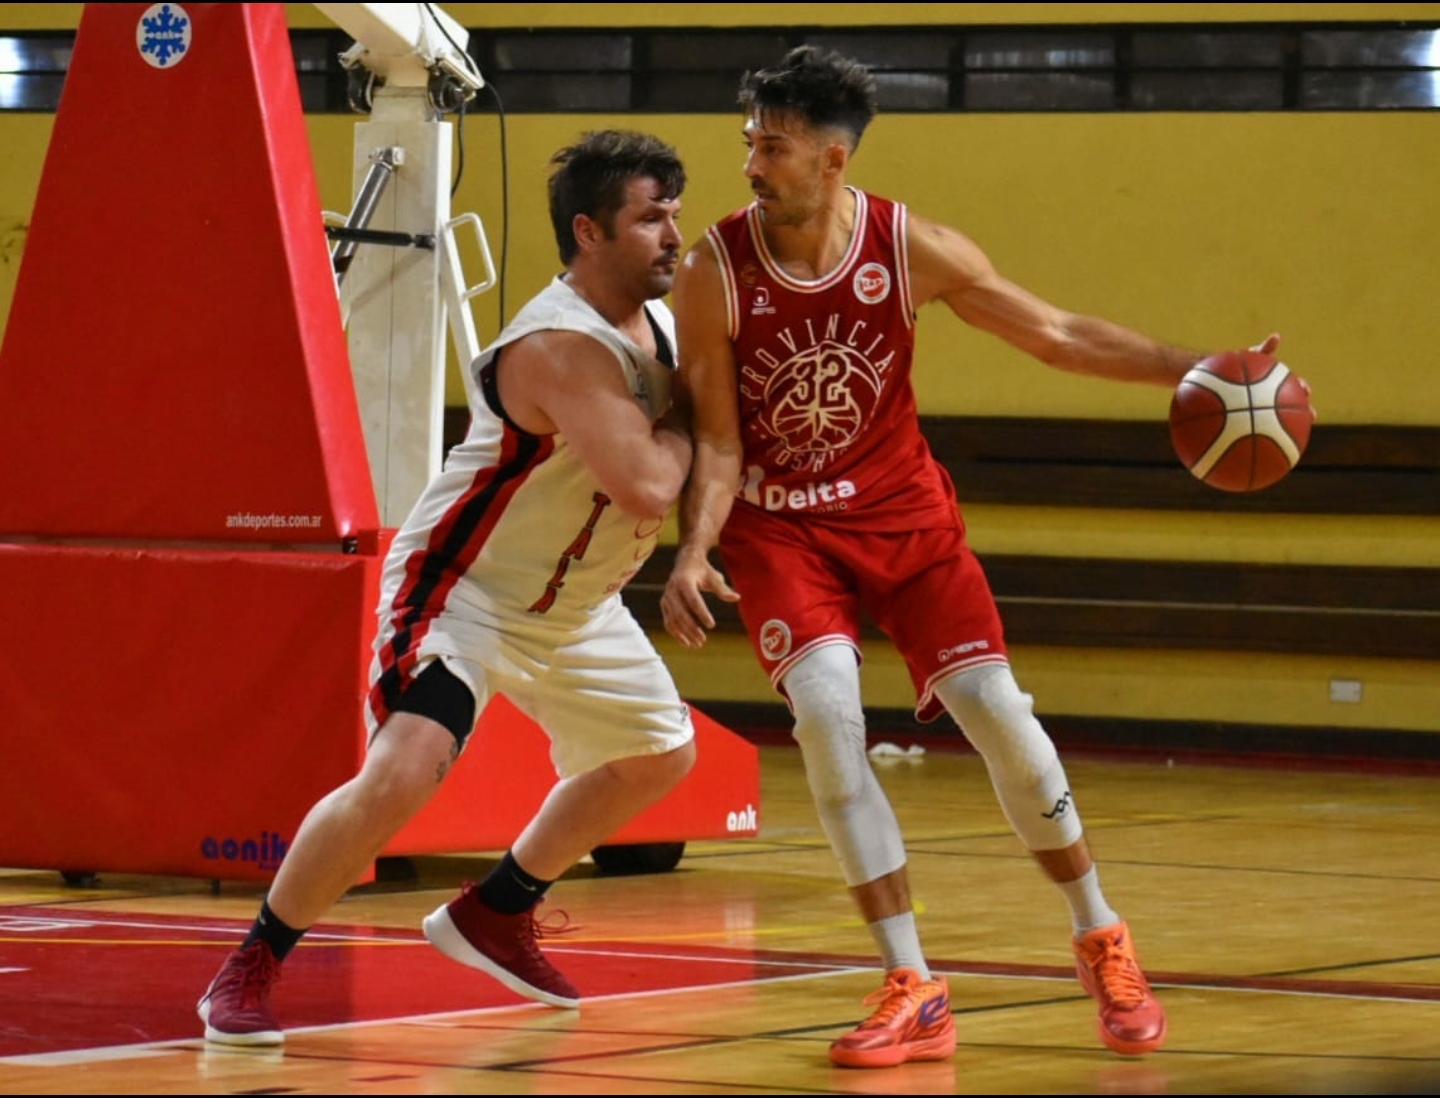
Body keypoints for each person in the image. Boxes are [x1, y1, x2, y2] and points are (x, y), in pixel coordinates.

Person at [660, 45, 1306, 1070]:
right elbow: (720, 439)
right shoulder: (712, 270)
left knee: (1004, 721)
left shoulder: (911, 247)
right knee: (827, 720)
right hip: (780, 525)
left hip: (902, 515)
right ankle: (912, 984)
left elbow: (1054, 335)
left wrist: (1200, 367)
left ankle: (1100, 932)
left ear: (833, 159)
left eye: (772, 149)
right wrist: (694, 550)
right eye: (750, 143)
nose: (751, 165)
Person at [198, 128, 696, 1046]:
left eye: (675, 215)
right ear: (588, 232)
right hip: (461, 591)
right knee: (403, 770)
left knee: (660, 756)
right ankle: (252, 963)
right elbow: (652, 484)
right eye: (649, 219)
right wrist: (709, 425)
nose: (673, 235)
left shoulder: (666, 325)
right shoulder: (557, 344)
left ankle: (499, 908)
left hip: (575, 606)